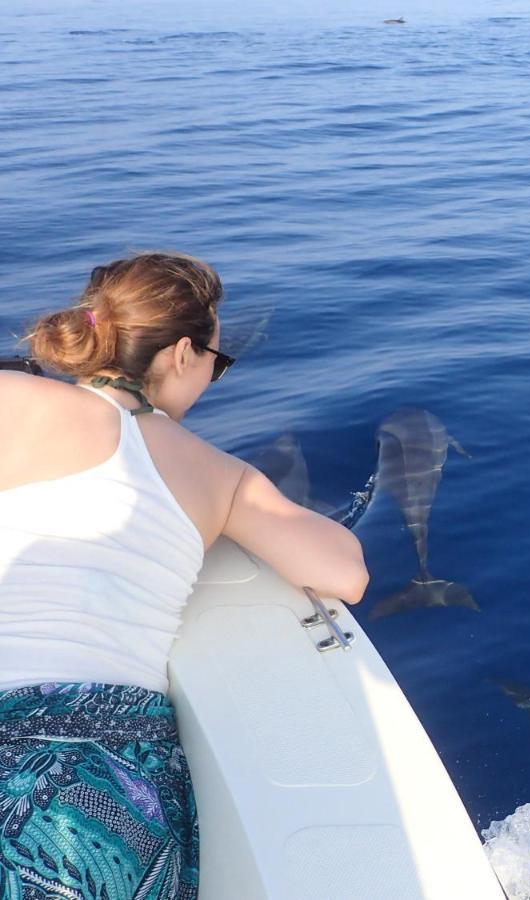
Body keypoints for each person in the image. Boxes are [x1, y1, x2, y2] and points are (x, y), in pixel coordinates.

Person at [0, 253, 369, 899]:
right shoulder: (219, 475)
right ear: (180, 354)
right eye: (216, 364)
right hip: (94, 764)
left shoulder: (16, 399)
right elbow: (344, 572)